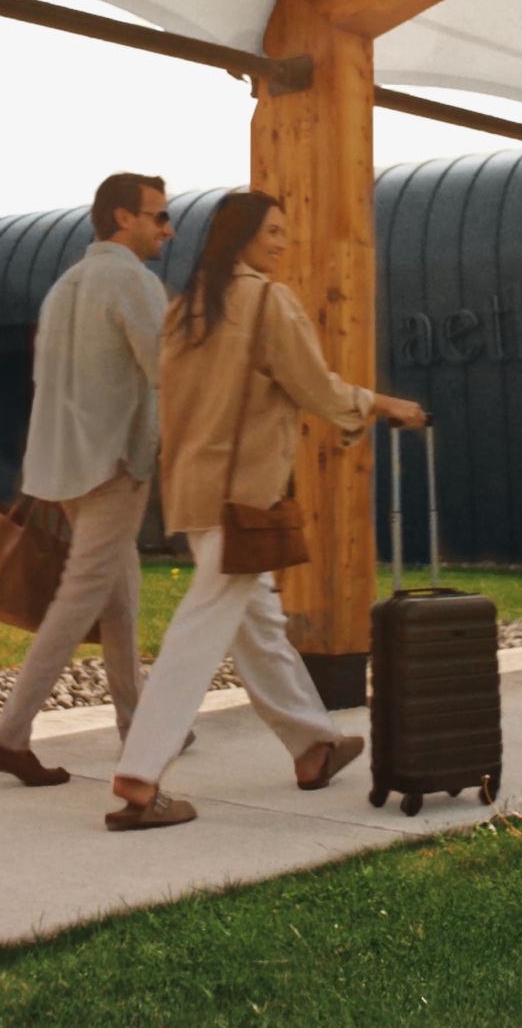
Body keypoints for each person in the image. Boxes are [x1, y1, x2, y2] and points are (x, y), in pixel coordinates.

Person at [105, 190, 426, 831]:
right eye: (273, 231)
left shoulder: (185, 310)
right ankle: (140, 774)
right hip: (242, 498)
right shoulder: (266, 301)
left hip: (195, 493)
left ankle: (313, 745)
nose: (283, 242)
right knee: (198, 634)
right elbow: (315, 386)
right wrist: (383, 404)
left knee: (258, 625)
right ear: (243, 236)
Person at [0, 172, 173, 787]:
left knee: (118, 596)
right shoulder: (133, 282)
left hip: (62, 469)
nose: (168, 229)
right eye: (159, 216)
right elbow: (168, 371)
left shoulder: (64, 286)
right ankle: (9, 734)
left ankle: (138, 724)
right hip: (113, 465)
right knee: (81, 596)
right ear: (123, 218)